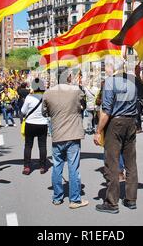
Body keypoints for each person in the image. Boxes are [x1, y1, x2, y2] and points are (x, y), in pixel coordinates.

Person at [94, 57, 138, 214]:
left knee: (112, 162)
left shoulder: (110, 82)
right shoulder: (132, 81)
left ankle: (112, 202)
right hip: (131, 122)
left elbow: (106, 110)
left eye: (106, 65)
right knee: (131, 162)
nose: (105, 68)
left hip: (116, 123)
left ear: (112, 66)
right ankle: (131, 199)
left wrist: (98, 131)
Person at [42, 69, 88, 209]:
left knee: (57, 166)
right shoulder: (76, 90)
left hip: (57, 135)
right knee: (73, 167)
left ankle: (57, 197)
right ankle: (74, 199)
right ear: (68, 77)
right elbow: (83, 105)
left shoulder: (48, 92)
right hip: (73, 134)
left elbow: (45, 113)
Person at [21, 78, 48, 175]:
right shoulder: (45, 97)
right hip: (42, 123)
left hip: (30, 123)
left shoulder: (29, 97)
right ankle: (42, 166)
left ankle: (27, 166)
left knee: (28, 146)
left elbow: (23, 111)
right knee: (42, 146)